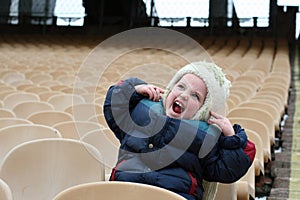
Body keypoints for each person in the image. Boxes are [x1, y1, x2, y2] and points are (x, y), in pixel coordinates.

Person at [103, 61, 256, 200]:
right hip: (125, 192)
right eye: (181, 86)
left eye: (195, 96)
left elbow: (229, 169)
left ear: (203, 110)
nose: (184, 95)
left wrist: (232, 136)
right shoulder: (142, 110)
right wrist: (135, 90)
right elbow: (114, 107)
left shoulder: (205, 137)